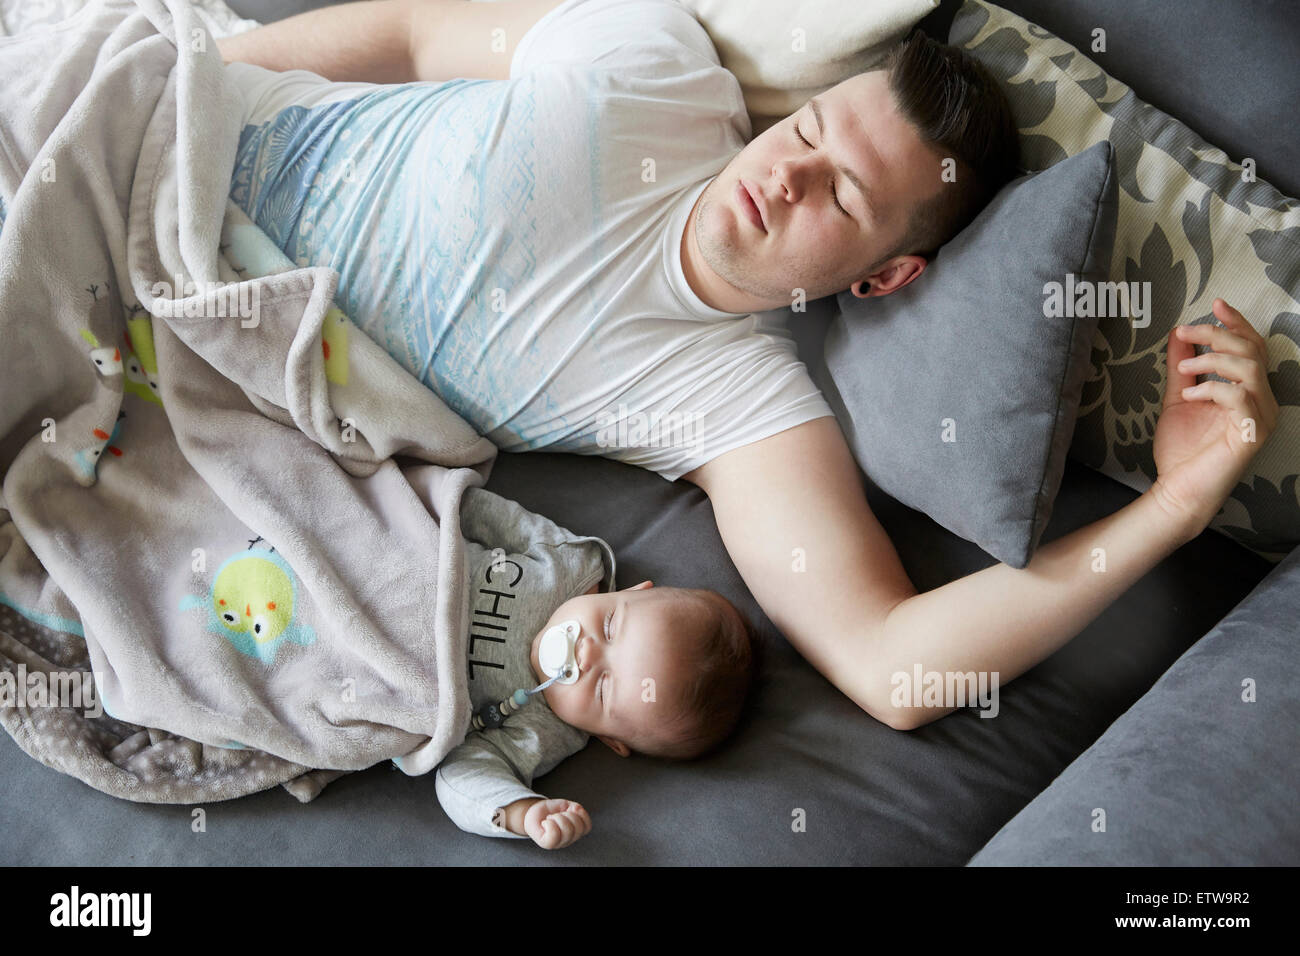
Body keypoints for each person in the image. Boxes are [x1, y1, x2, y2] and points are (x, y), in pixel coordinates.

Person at [218, 0, 1279, 732]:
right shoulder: (653, 60)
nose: (787, 175)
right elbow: (409, 34)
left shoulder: (741, 404)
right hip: (169, 118)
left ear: (880, 277)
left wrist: (1177, 506)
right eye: (808, 131)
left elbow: (893, 667)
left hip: (203, 323)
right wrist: (194, 79)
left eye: (843, 197)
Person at [443, 487, 755, 849]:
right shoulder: (572, 565)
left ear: (609, 738)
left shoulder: (542, 734)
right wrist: (432, 491)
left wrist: (520, 813)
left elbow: (459, 774)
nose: (586, 654)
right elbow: (479, 511)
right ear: (633, 591)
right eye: (608, 627)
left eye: (604, 689)